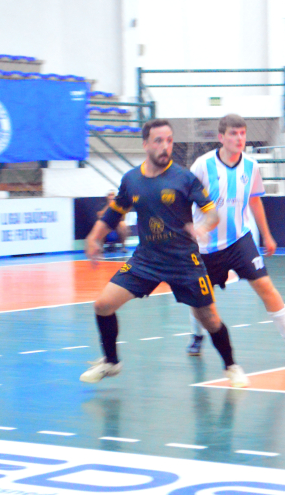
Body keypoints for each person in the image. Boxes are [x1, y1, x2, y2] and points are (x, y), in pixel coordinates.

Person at [82, 119, 248, 387]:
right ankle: (111, 362)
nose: (165, 146)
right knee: (102, 305)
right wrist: (94, 237)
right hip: (146, 259)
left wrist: (203, 227)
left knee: (210, 319)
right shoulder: (131, 180)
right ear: (146, 144)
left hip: (185, 262)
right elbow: (115, 213)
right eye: (159, 141)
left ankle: (232, 366)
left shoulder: (184, 178)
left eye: (169, 140)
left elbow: (212, 213)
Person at [186, 114, 285, 361]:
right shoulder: (202, 165)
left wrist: (267, 235)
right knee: (200, 296)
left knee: (265, 285)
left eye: (242, 133)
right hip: (205, 246)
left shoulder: (252, 166)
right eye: (233, 133)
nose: (239, 138)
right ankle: (196, 335)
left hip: (239, 240)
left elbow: (255, 200)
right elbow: (184, 199)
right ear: (221, 138)